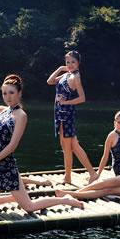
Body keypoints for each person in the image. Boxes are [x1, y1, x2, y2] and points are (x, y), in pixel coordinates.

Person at [0, 74, 84, 213]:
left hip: (5, 164)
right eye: (4, 93)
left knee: (29, 207)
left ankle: (65, 200)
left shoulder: (21, 116)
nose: (8, 97)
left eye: (11, 93)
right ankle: (11, 198)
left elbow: (12, 146)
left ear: (19, 93)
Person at [46, 50, 97, 184]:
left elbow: (82, 98)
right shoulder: (67, 74)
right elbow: (50, 81)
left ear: (78, 63)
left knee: (68, 147)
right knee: (70, 146)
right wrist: (60, 69)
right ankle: (82, 175)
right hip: (60, 113)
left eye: (73, 62)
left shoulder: (76, 77)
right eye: (67, 62)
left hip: (66, 114)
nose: (70, 64)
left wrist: (66, 102)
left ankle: (73, 176)